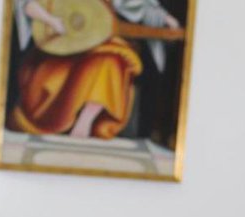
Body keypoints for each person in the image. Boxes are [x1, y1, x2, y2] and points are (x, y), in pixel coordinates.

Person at [8, 0, 145, 139]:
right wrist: (51, 20)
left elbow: (135, 8)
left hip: (98, 41)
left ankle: (86, 118)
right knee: (58, 79)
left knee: (111, 59)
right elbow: (25, 4)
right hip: (57, 52)